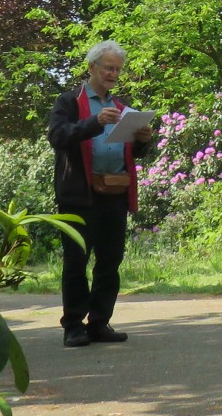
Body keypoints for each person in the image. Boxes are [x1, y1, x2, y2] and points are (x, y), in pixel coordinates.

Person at [47, 41, 150, 347]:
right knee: (76, 260)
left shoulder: (121, 107)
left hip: (115, 192)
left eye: (117, 69)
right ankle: (74, 325)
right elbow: (57, 136)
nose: (113, 74)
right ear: (91, 67)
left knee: (110, 260)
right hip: (79, 194)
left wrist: (143, 140)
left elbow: (131, 151)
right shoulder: (69, 102)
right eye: (108, 68)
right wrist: (94, 122)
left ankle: (100, 322)